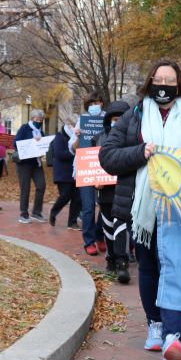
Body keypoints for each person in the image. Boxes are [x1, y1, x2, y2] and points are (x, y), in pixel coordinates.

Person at [100, 59, 181, 360]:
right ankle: (155, 324)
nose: (164, 86)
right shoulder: (134, 116)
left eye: (170, 81)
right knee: (150, 267)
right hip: (146, 209)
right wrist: (139, 153)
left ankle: (173, 335)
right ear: (149, 82)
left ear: (179, 84)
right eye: (159, 80)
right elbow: (108, 156)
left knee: (178, 268)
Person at [92, 100, 131, 283]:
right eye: (114, 119)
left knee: (122, 225)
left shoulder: (133, 139)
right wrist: (95, 182)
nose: (118, 122)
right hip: (105, 191)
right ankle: (111, 259)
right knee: (108, 226)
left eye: (121, 119)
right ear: (109, 120)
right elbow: (90, 165)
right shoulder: (98, 138)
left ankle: (123, 263)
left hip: (125, 188)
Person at [74, 92, 106, 254]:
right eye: (91, 103)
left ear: (102, 103)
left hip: (104, 168)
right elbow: (73, 148)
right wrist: (78, 137)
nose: (95, 105)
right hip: (86, 166)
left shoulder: (108, 119)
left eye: (97, 102)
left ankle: (100, 235)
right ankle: (88, 241)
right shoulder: (82, 120)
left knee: (105, 205)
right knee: (88, 207)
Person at [13, 109, 49, 223]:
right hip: (24, 163)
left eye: (41, 120)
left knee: (41, 185)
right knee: (25, 188)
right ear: (32, 119)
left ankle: (36, 212)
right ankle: (23, 213)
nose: (39, 122)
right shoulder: (25, 128)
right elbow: (16, 143)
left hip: (36, 163)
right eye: (37, 119)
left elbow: (42, 146)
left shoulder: (41, 132)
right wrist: (32, 141)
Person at [48, 119, 81, 228]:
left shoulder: (79, 137)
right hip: (63, 173)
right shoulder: (60, 136)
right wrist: (76, 154)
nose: (72, 127)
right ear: (67, 125)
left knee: (77, 198)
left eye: (74, 125)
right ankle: (53, 212)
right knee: (65, 195)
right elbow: (59, 154)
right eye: (71, 124)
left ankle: (72, 222)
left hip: (75, 172)